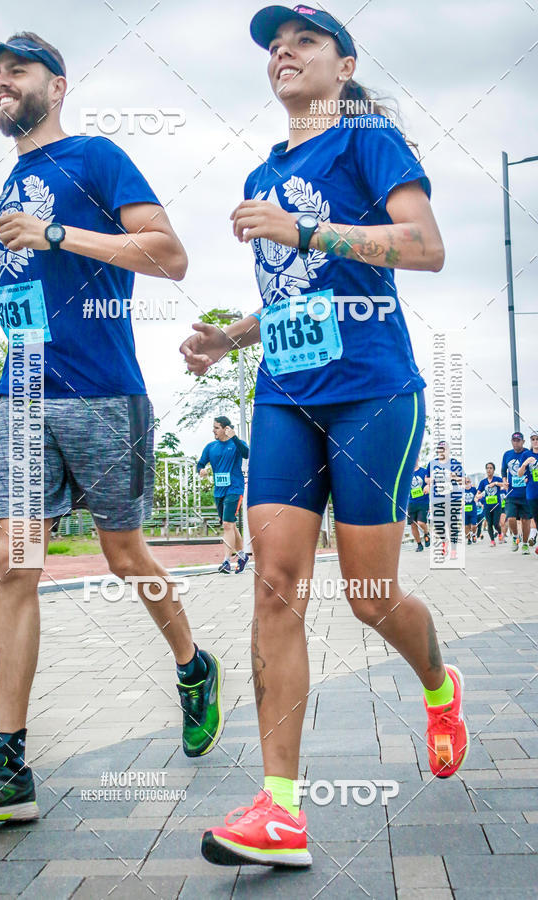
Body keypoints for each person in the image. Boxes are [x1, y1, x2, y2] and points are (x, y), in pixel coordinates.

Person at [180, 5, 468, 869]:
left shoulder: (368, 137)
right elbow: (297, 294)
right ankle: (279, 811)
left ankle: (438, 683)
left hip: (374, 394)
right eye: (275, 44)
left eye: (304, 40)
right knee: (274, 586)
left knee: (371, 594)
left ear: (344, 64)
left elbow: (425, 246)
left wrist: (307, 228)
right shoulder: (267, 167)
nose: (284, 53)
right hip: (283, 398)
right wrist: (227, 338)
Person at [0, 32, 224, 825]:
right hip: (23, 395)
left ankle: (194, 665)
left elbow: (170, 256)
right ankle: (9, 766)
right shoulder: (10, 184)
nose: (1, 82)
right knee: (12, 560)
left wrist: (58, 234)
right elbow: (42, 291)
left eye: (16, 70)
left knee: (123, 550)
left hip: (103, 396)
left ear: (55, 86)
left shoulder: (96, 157)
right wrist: (0, 310)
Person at [197, 416, 250, 573]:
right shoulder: (210, 447)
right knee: (230, 524)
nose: (213, 430)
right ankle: (242, 556)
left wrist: (234, 438)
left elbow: (246, 454)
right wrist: (201, 470)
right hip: (218, 491)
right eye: (213, 427)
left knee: (227, 524)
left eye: (216, 427)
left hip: (234, 488)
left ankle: (226, 561)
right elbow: (200, 463)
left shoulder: (236, 444)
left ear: (226, 429)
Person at [427, 441, 463, 559]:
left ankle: (453, 550)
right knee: (437, 524)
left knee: (452, 524)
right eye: (439, 449)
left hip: (453, 499)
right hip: (437, 499)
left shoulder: (455, 463)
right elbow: (426, 479)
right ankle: (444, 541)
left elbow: (463, 481)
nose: (441, 451)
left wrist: (455, 477)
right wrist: (430, 481)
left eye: (444, 449)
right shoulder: (432, 464)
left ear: (448, 450)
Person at [502, 431, 531, 554]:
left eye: (518, 440)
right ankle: (515, 536)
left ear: (523, 442)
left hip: (526, 493)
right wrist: (504, 481)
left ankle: (525, 544)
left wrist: (528, 478)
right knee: (511, 518)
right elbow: (504, 470)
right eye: (514, 440)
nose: (516, 442)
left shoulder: (528, 454)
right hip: (511, 493)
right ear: (511, 441)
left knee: (525, 521)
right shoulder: (507, 454)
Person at [518, 432, 538, 557]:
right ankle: (534, 536)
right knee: (535, 517)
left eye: (537, 439)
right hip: (532, 492)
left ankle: (534, 538)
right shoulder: (526, 454)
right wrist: (525, 463)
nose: (535, 441)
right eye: (533, 439)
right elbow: (519, 474)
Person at [476, 462, 504, 547]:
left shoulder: (498, 479)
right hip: (487, 506)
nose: (489, 469)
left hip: (496, 505)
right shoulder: (483, 482)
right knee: (489, 524)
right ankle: (492, 541)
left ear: (494, 470)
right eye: (487, 468)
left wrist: (495, 483)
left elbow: (505, 485)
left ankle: (499, 533)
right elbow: (478, 493)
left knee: (496, 523)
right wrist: (478, 496)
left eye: (491, 468)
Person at [408, 456, 430, 551]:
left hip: (423, 502)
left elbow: (432, 481)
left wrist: (429, 485)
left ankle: (426, 533)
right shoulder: (407, 473)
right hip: (411, 503)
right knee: (413, 525)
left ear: (418, 459)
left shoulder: (424, 471)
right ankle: (419, 545)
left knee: (421, 523)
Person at [463, 477, 478, 545]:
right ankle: (469, 539)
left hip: (473, 510)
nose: (467, 483)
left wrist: (477, 498)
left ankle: (474, 534)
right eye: (465, 482)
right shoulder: (461, 490)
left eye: (468, 482)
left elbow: (478, 495)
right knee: (466, 526)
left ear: (470, 482)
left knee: (474, 525)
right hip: (465, 511)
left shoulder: (474, 489)